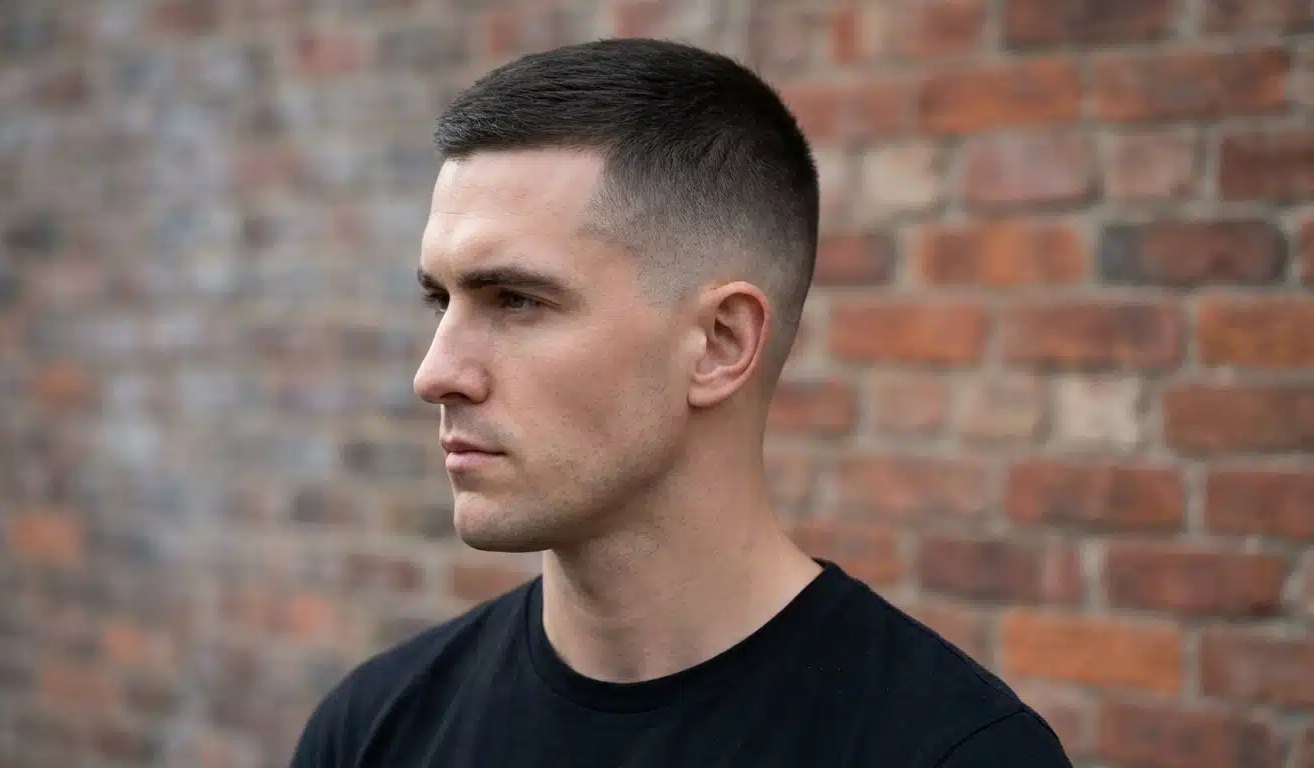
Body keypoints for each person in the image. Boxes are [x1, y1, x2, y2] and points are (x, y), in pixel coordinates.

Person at [290, 38, 1072, 767]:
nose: (437, 374)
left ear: (721, 344)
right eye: (441, 301)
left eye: (516, 301)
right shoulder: (374, 732)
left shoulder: (951, 752)